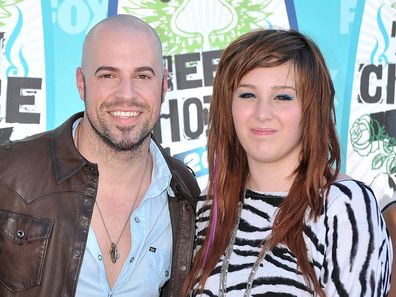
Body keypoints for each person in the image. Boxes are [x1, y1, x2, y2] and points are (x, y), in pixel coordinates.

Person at [0, 14, 199, 297]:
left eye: (142, 75)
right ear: (82, 83)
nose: (126, 94)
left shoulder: (183, 194)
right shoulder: (8, 176)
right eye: (108, 75)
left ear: (164, 85)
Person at [183, 29, 392, 296]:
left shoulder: (343, 206)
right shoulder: (211, 202)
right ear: (228, 105)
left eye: (283, 97)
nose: (262, 113)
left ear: (311, 107)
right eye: (247, 95)